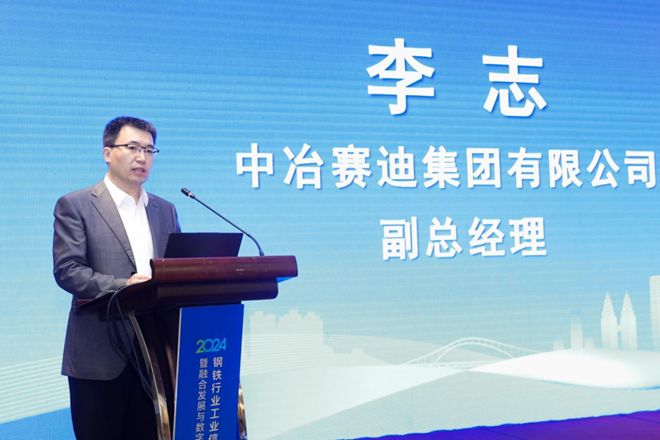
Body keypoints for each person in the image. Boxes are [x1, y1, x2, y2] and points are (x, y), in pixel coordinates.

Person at [53, 116, 180, 439]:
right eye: (133, 147)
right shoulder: (76, 205)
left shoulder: (165, 209)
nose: (142, 157)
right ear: (107, 153)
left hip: (155, 355)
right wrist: (124, 287)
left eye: (149, 150)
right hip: (99, 354)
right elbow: (68, 270)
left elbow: (175, 270)